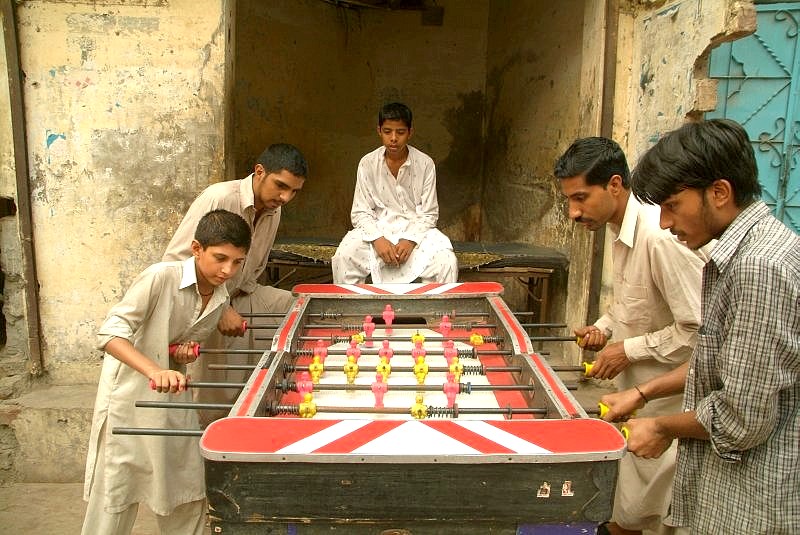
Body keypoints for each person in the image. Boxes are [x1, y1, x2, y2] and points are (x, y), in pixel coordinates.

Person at [599, 119, 799, 533]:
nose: (665, 222)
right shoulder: (747, 253)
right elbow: (727, 364)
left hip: (753, 502)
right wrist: (643, 393)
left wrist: (662, 426)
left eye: (673, 206)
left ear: (719, 193)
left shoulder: (758, 267)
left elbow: (741, 417)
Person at [554, 137, 708, 535]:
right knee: (630, 508)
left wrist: (628, 349)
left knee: (657, 514)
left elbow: (699, 332)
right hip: (635, 399)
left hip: (670, 402)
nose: (573, 212)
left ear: (615, 185)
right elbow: (631, 301)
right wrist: (604, 329)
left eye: (581, 198)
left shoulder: (660, 238)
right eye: (569, 200)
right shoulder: (617, 227)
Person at [82, 209, 251, 535]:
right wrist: (155, 370)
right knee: (116, 491)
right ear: (197, 248)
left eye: (237, 262)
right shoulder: (160, 277)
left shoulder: (220, 295)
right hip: (129, 396)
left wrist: (176, 353)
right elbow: (110, 333)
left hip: (173, 393)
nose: (228, 270)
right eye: (220, 258)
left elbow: (172, 338)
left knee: (185, 485)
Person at [163, 143, 307, 424]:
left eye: (294, 191)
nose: (285, 197)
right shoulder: (219, 197)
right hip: (200, 301)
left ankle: (272, 405)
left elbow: (253, 271)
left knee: (298, 308)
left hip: (241, 292)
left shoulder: (275, 210)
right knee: (210, 396)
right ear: (259, 171)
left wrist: (232, 302)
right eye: (280, 186)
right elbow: (176, 263)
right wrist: (220, 306)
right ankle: (210, 433)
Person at [332, 102, 458, 284]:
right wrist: (378, 240)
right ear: (379, 131)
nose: (393, 138)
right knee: (344, 257)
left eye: (400, 132)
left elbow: (429, 213)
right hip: (377, 229)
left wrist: (410, 240)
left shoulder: (425, 164)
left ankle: (434, 304)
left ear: (410, 132)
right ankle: (353, 304)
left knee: (446, 261)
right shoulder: (367, 163)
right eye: (387, 131)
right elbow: (360, 212)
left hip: (417, 231)